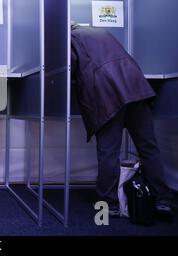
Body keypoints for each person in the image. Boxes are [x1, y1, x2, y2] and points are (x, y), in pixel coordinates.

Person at [71, 24, 173, 218]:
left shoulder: (70, 38)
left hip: (108, 94)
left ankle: (108, 204)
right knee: (148, 148)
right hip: (136, 86)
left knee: (108, 152)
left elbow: (69, 66)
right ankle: (163, 200)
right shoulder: (100, 31)